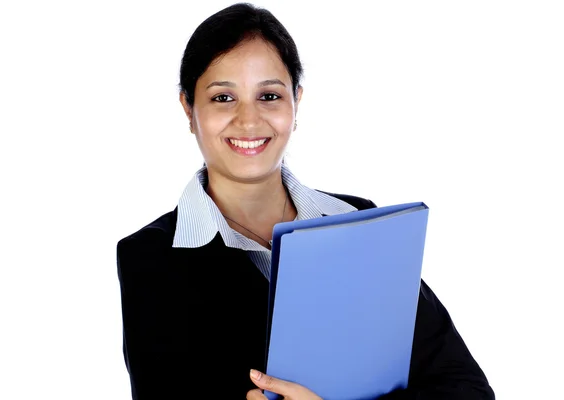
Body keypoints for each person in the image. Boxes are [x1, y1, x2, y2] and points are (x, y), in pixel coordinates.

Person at [116, 3, 494, 399]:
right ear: (188, 108)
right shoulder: (152, 256)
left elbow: (465, 389)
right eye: (223, 98)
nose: (249, 120)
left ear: (296, 102)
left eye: (269, 95)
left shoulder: (359, 221)